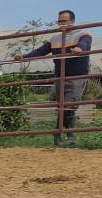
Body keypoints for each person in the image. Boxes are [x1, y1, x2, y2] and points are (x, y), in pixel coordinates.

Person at [14, 9, 93, 146]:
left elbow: (85, 43)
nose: (61, 24)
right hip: (59, 77)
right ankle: (68, 137)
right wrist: (24, 57)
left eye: (64, 21)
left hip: (77, 76)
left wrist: (80, 49)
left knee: (70, 105)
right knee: (63, 106)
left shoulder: (83, 33)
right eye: (59, 21)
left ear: (72, 21)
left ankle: (59, 133)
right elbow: (40, 51)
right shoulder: (55, 39)